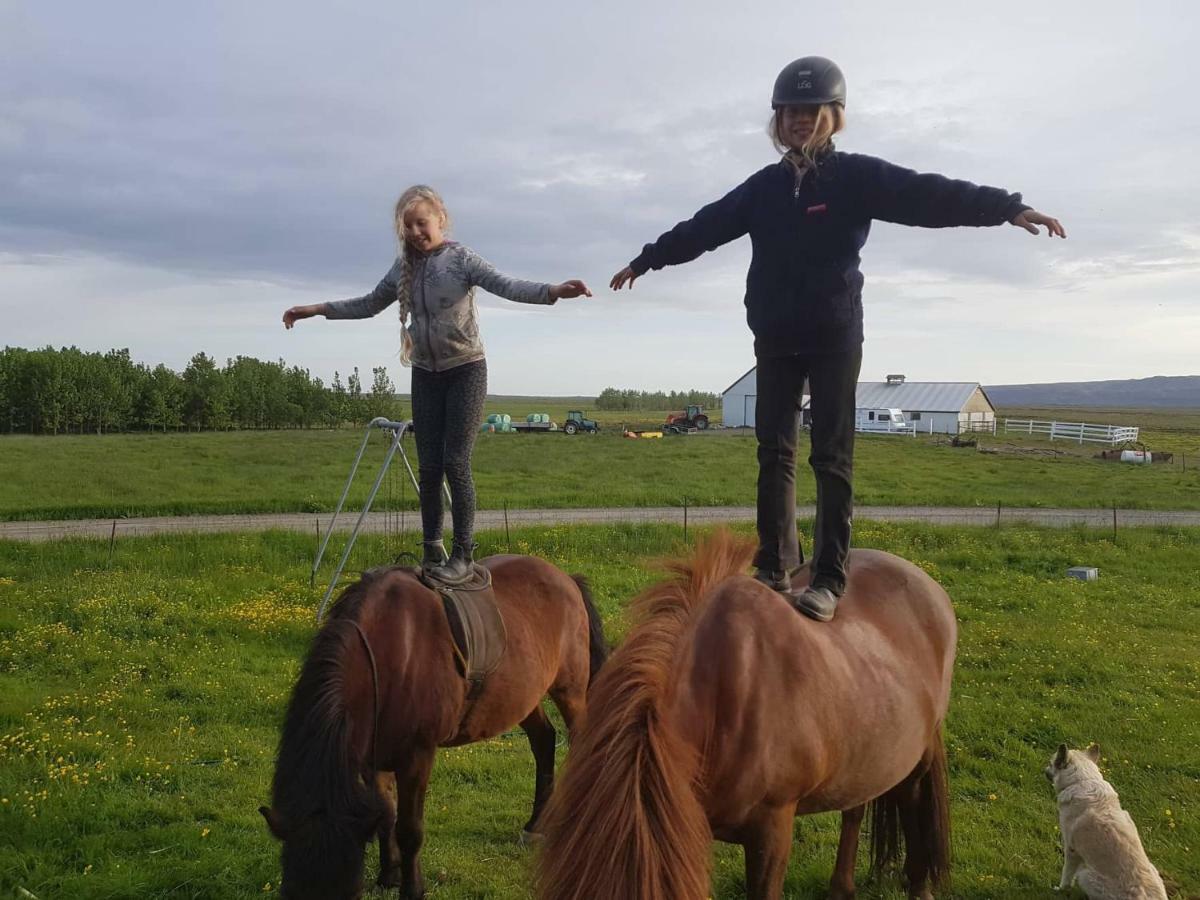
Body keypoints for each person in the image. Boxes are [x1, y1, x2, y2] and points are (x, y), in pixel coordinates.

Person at [611, 56, 1065, 622]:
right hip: (775, 336)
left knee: (831, 455)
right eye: (790, 112)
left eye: (811, 111)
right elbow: (703, 227)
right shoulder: (762, 189)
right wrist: (647, 260)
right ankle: (774, 566)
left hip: (834, 335)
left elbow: (928, 195)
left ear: (833, 116)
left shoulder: (855, 178)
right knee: (773, 450)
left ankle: (827, 576)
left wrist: (1006, 207)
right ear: (778, 121)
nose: (800, 121)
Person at [285, 184, 591, 584]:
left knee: (454, 462)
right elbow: (366, 304)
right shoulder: (402, 270)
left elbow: (507, 284)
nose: (415, 231)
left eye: (421, 222)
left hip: (466, 370)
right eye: (407, 226)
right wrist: (316, 310)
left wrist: (553, 292)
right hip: (425, 374)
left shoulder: (461, 259)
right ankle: (432, 550)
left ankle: (463, 552)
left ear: (440, 220)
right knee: (428, 468)